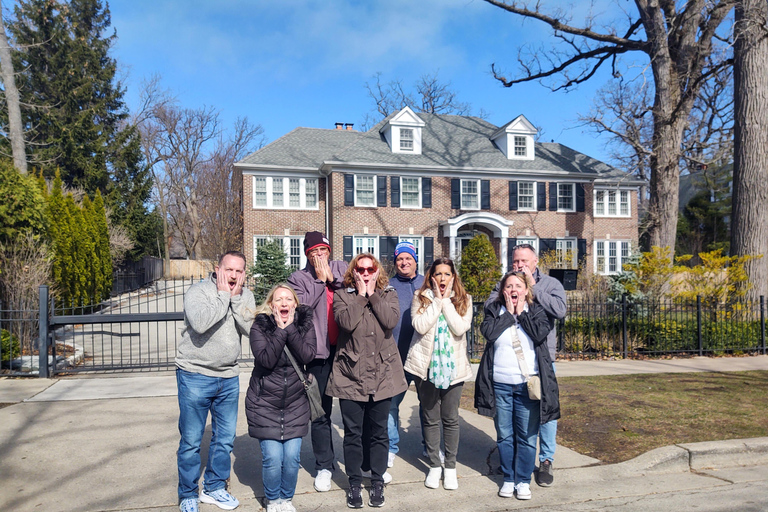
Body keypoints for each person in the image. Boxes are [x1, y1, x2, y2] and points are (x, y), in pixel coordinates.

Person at [176, 251, 255, 512]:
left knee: (224, 439)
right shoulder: (198, 292)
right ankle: (188, 493)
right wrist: (223, 295)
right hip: (195, 375)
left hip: (229, 376)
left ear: (244, 273)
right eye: (229, 269)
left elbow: (250, 328)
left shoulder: (246, 295)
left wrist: (234, 299)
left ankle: (215, 487)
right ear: (218, 269)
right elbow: (200, 324)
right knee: (191, 440)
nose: (233, 275)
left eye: (239, 271)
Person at [326, 253, 408, 509]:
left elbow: (390, 321)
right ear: (354, 272)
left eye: (370, 269)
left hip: (383, 374)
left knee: (379, 433)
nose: (365, 273)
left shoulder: (388, 294)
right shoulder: (343, 296)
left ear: (376, 271)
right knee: (353, 433)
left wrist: (373, 294)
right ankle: (353, 484)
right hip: (350, 375)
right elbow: (347, 323)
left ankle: (376, 481)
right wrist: (361, 296)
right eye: (360, 269)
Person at [485, 243, 566, 486]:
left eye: (524, 262)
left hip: (541, 360)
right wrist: (511, 290)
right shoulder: (506, 283)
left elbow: (560, 311)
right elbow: (490, 307)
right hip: (508, 364)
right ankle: (513, 461)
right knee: (510, 416)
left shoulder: (550, 284)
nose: (519, 266)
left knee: (546, 413)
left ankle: (546, 460)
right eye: (515, 262)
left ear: (535, 262)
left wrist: (532, 289)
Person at [475, 271, 560, 500]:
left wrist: (521, 312)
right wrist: (510, 314)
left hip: (526, 385)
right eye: (509, 285)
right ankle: (509, 478)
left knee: (527, 436)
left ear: (526, 289)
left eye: (518, 285)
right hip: (500, 384)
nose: (514, 289)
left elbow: (539, 334)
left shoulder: (537, 310)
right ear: (503, 290)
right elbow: (489, 333)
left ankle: (523, 480)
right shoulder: (494, 310)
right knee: (504, 434)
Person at [403, 257, 473, 491]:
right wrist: (437, 301)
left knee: (451, 419)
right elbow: (420, 326)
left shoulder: (464, 299)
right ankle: (434, 465)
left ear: (453, 277)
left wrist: (446, 303)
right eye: (438, 274)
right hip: (427, 369)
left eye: (447, 274)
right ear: (431, 276)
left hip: (453, 370)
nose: (442, 278)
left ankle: (450, 467)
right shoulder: (420, 297)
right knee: (430, 418)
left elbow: (460, 327)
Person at [246, 284, 317, 512]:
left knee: (292, 458)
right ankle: (272, 499)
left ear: (295, 305)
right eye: (279, 300)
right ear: (271, 305)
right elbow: (266, 359)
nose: (284, 303)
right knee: (273, 459)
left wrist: (290, 331)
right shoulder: (260, 327)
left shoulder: (305, 325)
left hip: (296, 403)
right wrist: (279, 330)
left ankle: (286, 499)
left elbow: (308, 355)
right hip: (265, 403)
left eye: (289, 299)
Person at [287, 231, 348, 493]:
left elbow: (357, 289)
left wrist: (332, 279)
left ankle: (362, 461)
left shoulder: (342, 268)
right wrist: (320, 283)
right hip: (318, 355)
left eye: (323, 250)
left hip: (346, 352)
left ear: (329, 251)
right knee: (320, 412)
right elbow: (302, 309)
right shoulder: (298, 278)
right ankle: (325, 465)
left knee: (352, 409)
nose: (320, 256)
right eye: (314, 253)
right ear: (307, 255)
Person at [386, 241, 425, 468]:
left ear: (415, 260)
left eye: (408, 258)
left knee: (427, 404)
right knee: (391, 404)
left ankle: (428, 446)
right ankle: (391, 447)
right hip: (396, 356)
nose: (404, 262)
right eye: (400, 259)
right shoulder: (388, 287)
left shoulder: (426, 284)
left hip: (422, 355)